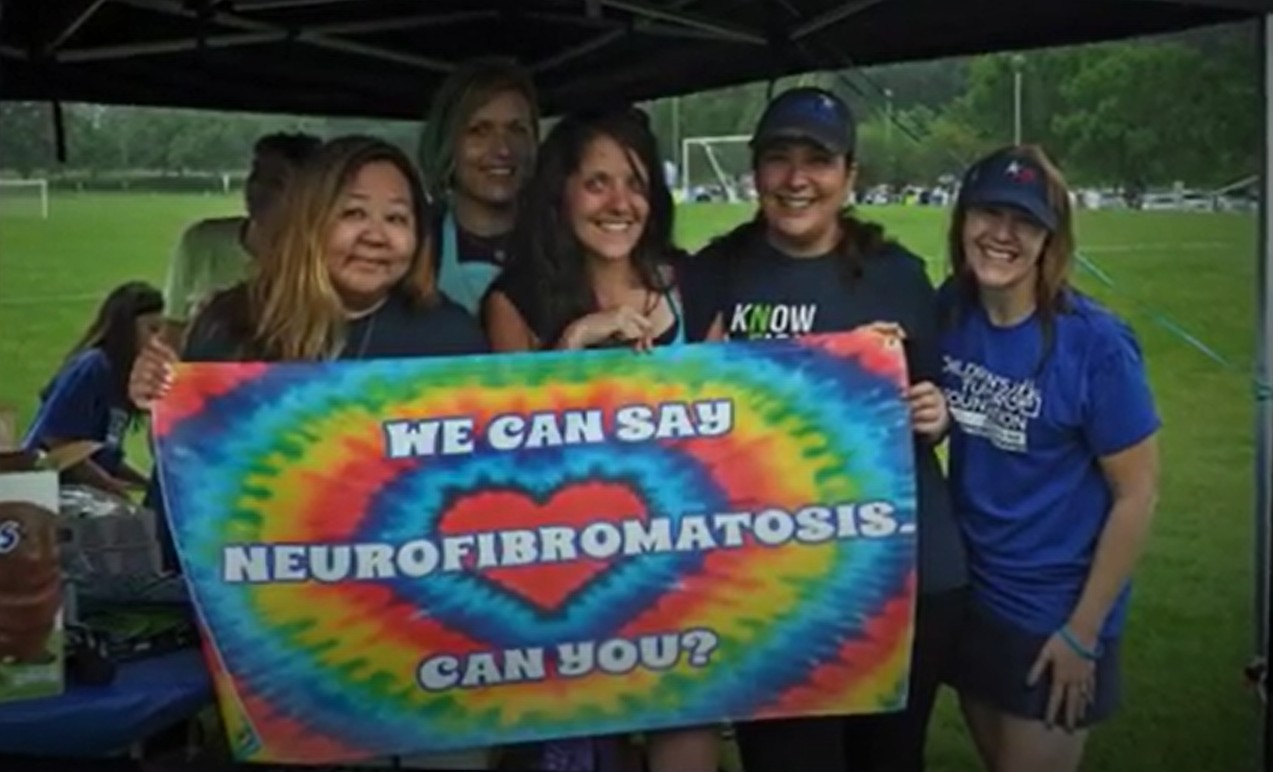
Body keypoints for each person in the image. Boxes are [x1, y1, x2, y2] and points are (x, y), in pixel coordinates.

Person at [131, 135, 492, 771]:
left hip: (426, 648)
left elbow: (487, 489)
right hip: (282, 654)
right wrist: (159, 395)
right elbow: (190, 490)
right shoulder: (231, 324)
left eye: (397, 217)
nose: (377, 234)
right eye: (354, 213)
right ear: (310, 218)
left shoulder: (451, 333)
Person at [688, 87, 968, 772]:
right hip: (772, 581)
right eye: (777, 159)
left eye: (816, 160)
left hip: (905, 573)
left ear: (849, 176)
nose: (795, 179)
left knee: (889, 758)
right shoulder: (709, 274)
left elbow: (927, 406)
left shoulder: (898, 277)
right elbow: (679, 426)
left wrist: (932, 413)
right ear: (754, 171)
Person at [482, 108, 714, 772]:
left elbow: (731, 430)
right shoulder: (514, 301)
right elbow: (511, 457)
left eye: (636, 183)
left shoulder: (694, 284)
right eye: (597, 183)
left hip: (678, 574)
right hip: (563, 581)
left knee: (683, 736)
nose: (620, 203)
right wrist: (574, 342)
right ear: (560, 193)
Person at [938, 145, 1160, 772]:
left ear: (1050, 238)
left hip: (1054, 610)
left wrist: (1082, 633)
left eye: (1025, 220)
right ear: (963, 220)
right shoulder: (949, 310)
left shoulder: (1096, 346)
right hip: (973, 594)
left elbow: (1137, 495)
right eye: (988, 213)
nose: (1002, 235)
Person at [160, 131, 321, 347]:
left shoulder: (324, 258)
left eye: (277, 182)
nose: (258, 189)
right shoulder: (200, 241)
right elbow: (172, 331)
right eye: (256, 175)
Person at [418, 57, 540, 315]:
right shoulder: (416, 242)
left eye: (517, 130)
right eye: (479, 131)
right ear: (448, 142)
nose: (503, 149)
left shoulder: (562, 238)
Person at [22, 281, 164, 496]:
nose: (158, 341)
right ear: (125, 328)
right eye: (151, 330)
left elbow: (105, 456)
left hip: (77, 492)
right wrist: (111, 488)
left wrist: (147, 484)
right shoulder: (93, 367)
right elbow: (59, 442)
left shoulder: (122, 375)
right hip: (46, 492)